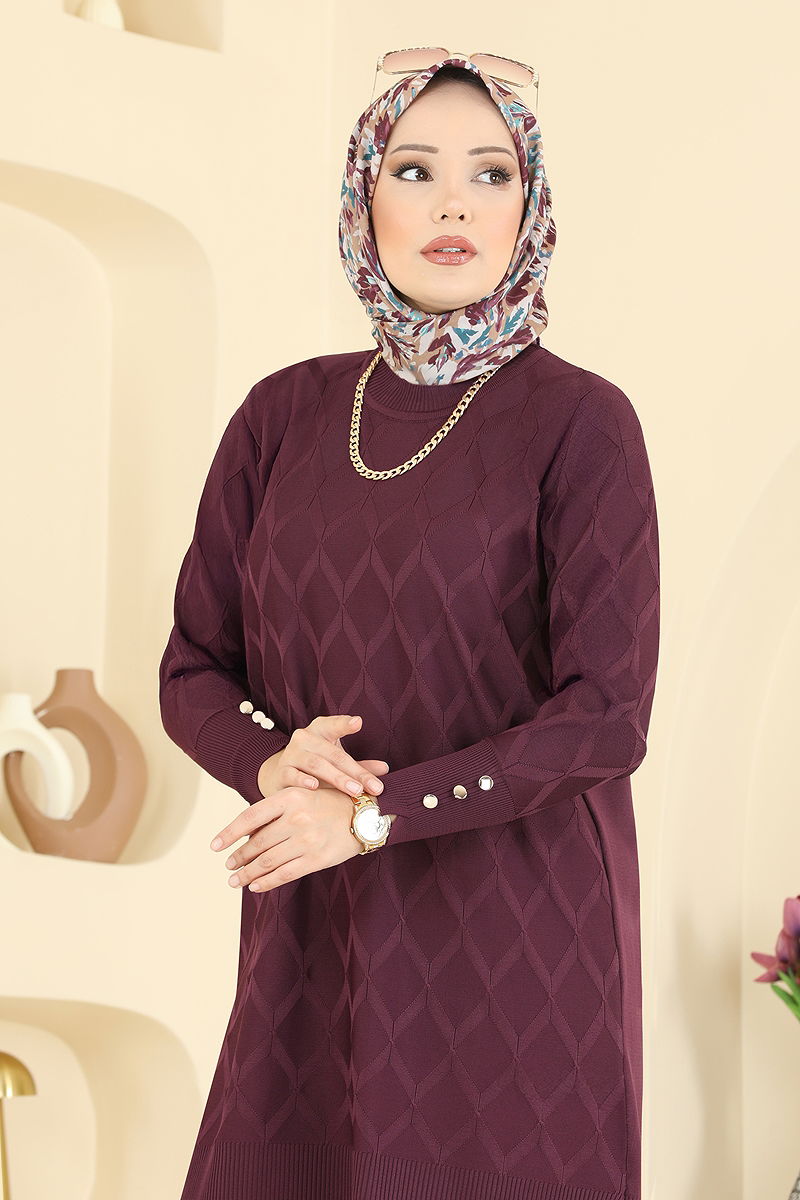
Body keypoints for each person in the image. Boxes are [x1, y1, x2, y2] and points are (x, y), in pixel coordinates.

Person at [159, 53, 660, 1200]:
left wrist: (374, 815)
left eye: (490, 173)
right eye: (414, 169)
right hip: (310, 935)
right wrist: (272, 761)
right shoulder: (282, 414)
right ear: (362, 196)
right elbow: (194, 665)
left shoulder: (580, 423)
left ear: (529, 205)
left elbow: (603, 717)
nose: (452, 205)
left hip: (513, 944)